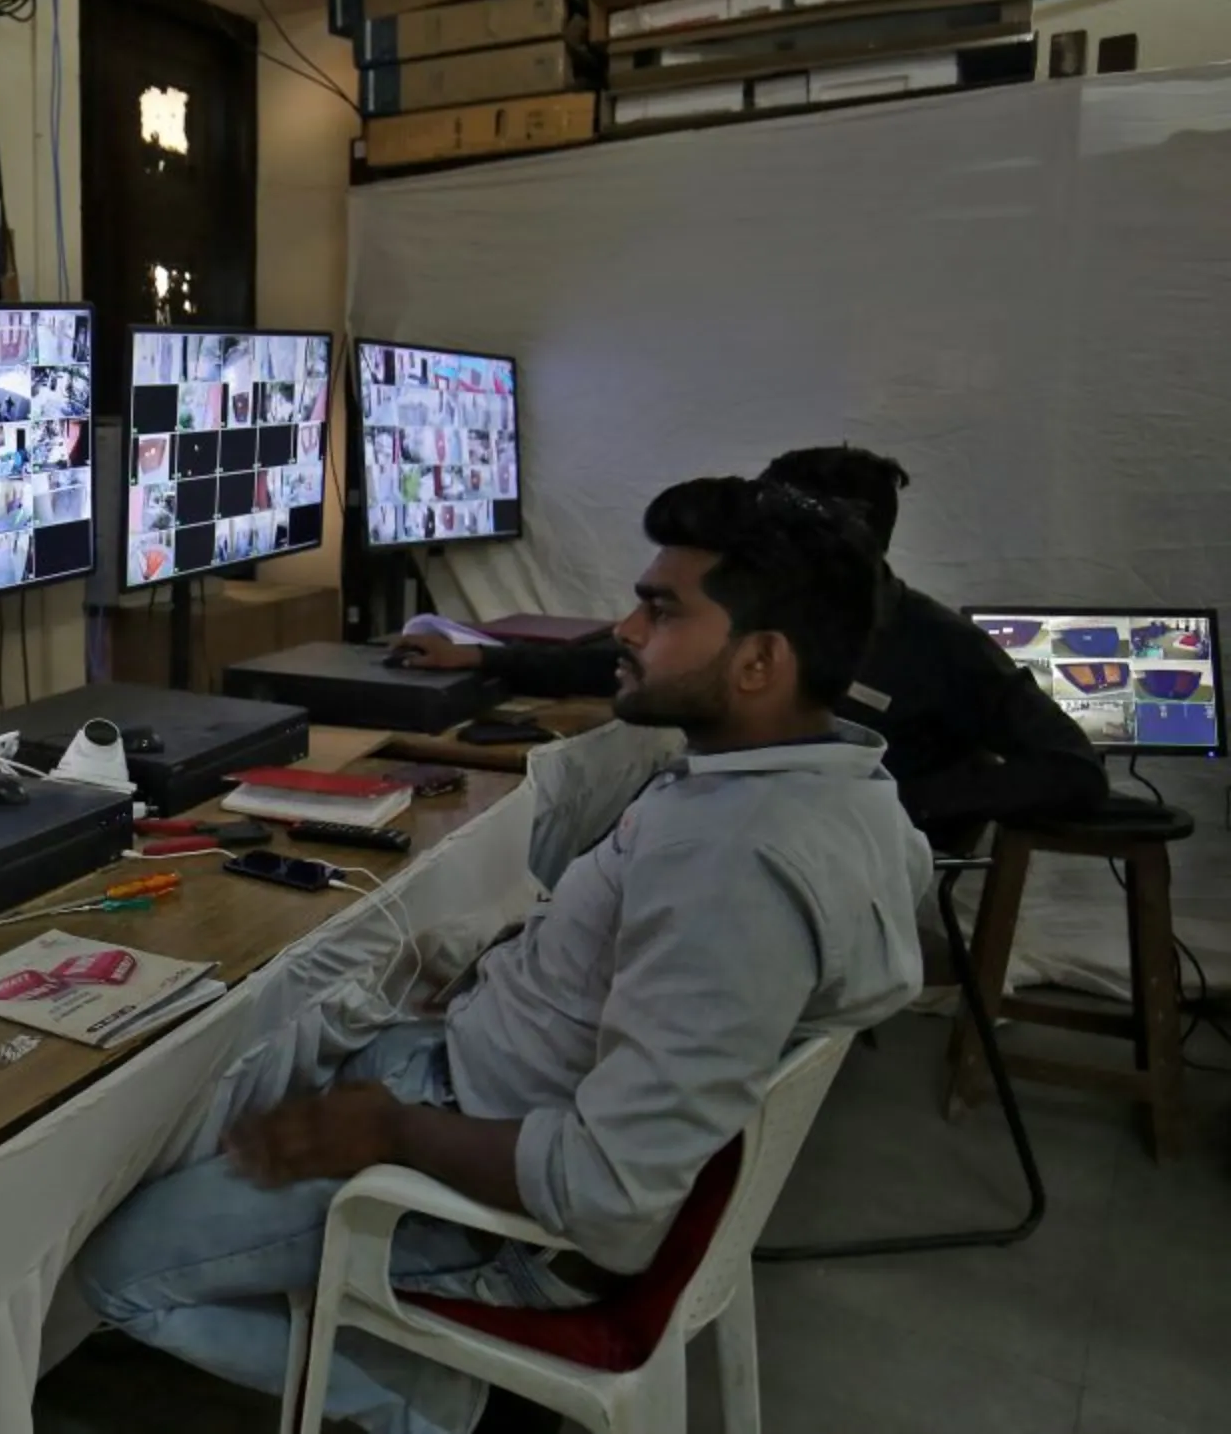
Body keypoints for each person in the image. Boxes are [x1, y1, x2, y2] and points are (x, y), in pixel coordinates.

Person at [77, 478, 928, 1434]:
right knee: (193, 1091)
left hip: (481, 1182)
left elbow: (606, 1194)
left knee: (119, 1267)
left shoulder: (735, 866)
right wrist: (512, 956)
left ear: (760, 662)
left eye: (661, 610)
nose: (626, 630)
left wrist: (388, 1132)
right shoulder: (842, 791)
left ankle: (439, 1412)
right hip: (473, 1074)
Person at [393, 445, 1107, 843]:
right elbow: (646, 658)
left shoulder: (942, 648)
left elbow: (1072, 768)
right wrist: (488, 656)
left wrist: (900, 802)